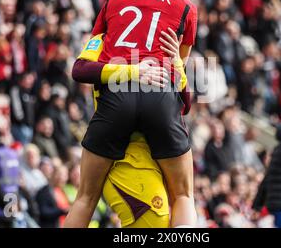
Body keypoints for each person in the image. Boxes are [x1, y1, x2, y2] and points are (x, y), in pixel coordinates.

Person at [65, 0, 198, 228]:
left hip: (116, 97)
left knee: (85, 198)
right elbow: (183, 95)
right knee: (184, 196)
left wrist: (129, 70)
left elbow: (86, 62)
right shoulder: (186, 10)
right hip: (160, 97)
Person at [68, 29, 191, 227]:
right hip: (122, 160)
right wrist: (133, 71)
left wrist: (177, 61)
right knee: (176, 202)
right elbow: (80, 69)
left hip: (148, 158)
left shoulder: (159, 42)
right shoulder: (105, 38)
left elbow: (183, 104)